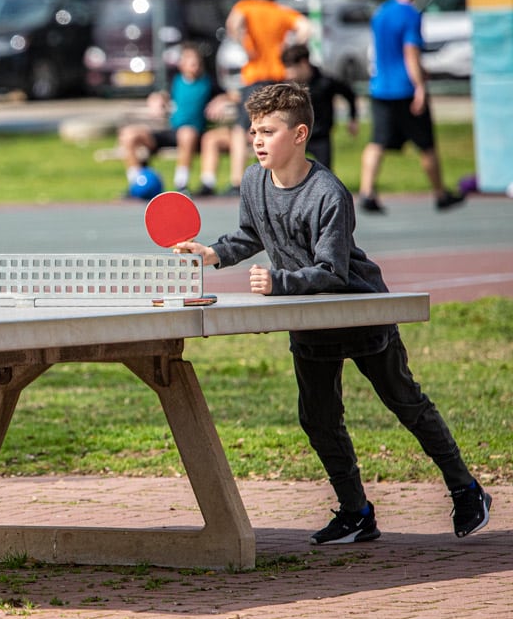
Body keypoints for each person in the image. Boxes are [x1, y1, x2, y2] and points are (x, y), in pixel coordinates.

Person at [173, 83, 491, 545]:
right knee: (319, 419)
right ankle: (356, 511)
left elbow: (332, 271)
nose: (257, 140)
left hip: (361, 314)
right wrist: (212, 254)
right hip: (311, 321)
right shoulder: (253, 182)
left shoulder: (329, 194)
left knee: (405, 404)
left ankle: (466, 489)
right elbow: (249, 235)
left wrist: (279, 283)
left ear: (300, 134)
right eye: (253, 130)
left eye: (268, 131)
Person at [358, 0, 464, 213]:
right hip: (404, 88)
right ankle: (440, 193)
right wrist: (420, 87)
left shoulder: (381, 12)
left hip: (380, 87)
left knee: (377, 141)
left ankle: (367, 191)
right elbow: (410, 53)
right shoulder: (411, 15)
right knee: (426, 143)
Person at [223, 0, 310, 194]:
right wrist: (290, 48)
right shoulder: (281, 12)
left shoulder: (247, 6)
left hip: (254, 75)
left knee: (245, 128)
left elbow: (234, 24)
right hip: (278, 77)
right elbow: (306, 28)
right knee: (272, 129)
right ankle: (269, 177)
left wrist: (245, 44)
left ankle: (237, 180)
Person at [117, 43, 220, 194]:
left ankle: (181, 184)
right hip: (171, 131)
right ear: (182, 64)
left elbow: (231, 94)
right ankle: (137, 184)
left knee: (187, 133)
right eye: (189, 62)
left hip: (194, 135)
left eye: (196, 62)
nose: (194, 66)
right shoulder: (175, 81)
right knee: (129, 135)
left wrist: (222, 100)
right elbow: (162, 95)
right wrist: (157, 99)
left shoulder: (207, 83)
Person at [281, 42, 358, 171]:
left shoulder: (325, 82)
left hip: (320, 136)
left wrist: (353, 118)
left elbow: (349, 93)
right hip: (294, 136)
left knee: (325, 173)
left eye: (292, 68)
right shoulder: (286, 85)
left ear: (304, 63)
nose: (288, 74)